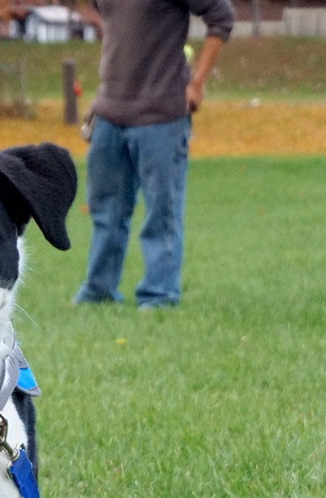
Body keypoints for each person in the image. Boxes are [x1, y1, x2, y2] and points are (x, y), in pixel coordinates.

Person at [72, 0, 235, 309]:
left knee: (162, 212)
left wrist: (196, 83)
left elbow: (222, 17)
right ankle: (99, 290)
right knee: (106, 211)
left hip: (162, 116)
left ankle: (159, 295)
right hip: (108, 112)